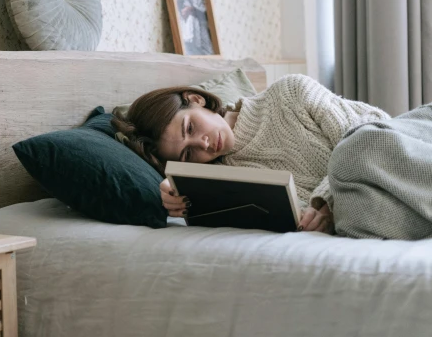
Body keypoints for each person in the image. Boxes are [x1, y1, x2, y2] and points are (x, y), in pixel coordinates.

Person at [111, 74, 390, 234]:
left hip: (396, 145)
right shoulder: (230, 182)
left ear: (196, 99)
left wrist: (326, 200)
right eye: (187, 154)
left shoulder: (289, 93)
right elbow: (298, 213)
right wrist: (178, 186)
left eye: (191, 127)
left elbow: (366, 137)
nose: (204, 144)